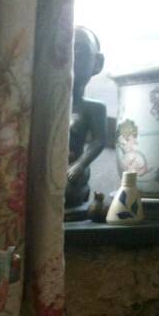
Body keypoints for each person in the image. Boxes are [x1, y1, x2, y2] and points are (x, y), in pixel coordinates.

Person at [65, 27, 107, 212]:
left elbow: (98, 141)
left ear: (97, 63)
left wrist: (80, 164)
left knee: (65, 192)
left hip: (74, 169)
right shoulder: (43, 106)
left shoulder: (94, 108)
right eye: (67, 47)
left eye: (80, 49)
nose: (73, 55)